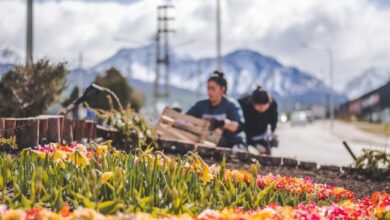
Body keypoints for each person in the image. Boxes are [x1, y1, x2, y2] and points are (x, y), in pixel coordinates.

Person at [187, 71, 245, 148]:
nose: (209, 92)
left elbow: (237, 126)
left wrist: (223, 123)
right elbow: (187, 118)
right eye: (208, 88)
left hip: (230, 144)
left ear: (222, 89)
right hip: (206, 142)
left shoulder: (231, 105)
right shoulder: (201, 106)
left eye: (213, 89)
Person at [238, 86, 278, 154]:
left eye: (264, 106)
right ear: (253, 103)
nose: (262, 109)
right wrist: (254, 144)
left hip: (261, 135)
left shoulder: (273, 105)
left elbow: (273, 122)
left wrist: (272, 135)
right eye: (259, 107)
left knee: (266, 155)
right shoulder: (244, 104)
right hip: (245, 134)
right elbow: (240, 126)